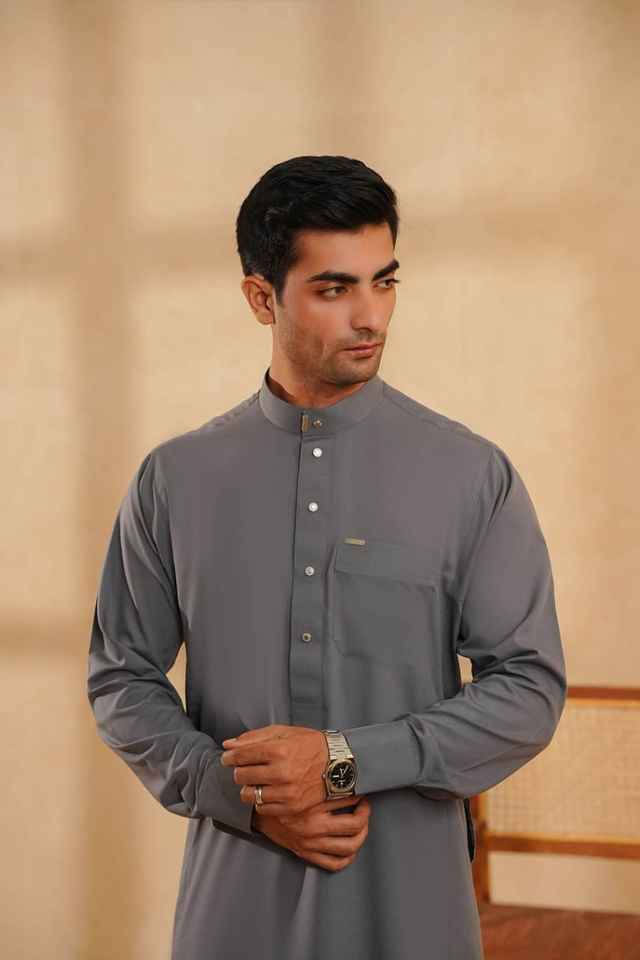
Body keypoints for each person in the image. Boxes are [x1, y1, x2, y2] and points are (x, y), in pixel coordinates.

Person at [87, 155, 567, 959]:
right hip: (233, 909)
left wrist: (342, 763)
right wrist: (236, 792)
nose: (370, 316)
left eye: (384, 281)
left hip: (413, 911)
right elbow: (120, 676)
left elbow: (529, 689)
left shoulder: (469, 474)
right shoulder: (176, 479)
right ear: (261, 298)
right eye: (335, 289)